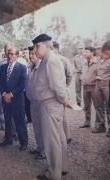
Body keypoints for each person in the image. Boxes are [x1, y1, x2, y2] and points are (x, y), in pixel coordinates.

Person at [32, 34, 70, 180]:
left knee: (52, 141)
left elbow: (58, 86)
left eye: (37, 46)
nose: (35, 50)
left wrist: (64, 99)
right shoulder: (48, 60)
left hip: (50, 106)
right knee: (59, 138)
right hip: (51, 105)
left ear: (47, 45)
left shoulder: (50, 60)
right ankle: (62, 169)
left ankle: (53, 174)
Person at [0, 47, 28, 151]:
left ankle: (23, 142)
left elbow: (22, 84)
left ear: (17, 55)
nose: (9, 56)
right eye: (8, 54)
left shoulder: (22, 67)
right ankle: (8, 139)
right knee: (7, 120)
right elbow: (0, 83)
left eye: (11, 54)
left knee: (20, 121)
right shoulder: (2, 67)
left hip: (17, 99)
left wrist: (10, 94)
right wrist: (4, 94)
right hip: (5, 100)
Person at [25, 46, 45, 159]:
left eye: (33, 53)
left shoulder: (42, 67)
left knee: (43, 128)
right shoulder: (31, 67)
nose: (31, 56)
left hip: (40, 103)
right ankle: (40, 147)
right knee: (36, 127)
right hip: (33, 103)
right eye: (30, 54)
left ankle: (44, 152)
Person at [53, 41, 73, 144]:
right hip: (53, 91)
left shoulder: (63, 60)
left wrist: (64, 86)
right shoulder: (49, 59)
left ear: (56, 49)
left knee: (63, 114)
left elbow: (69, 75)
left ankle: (67, 136)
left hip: (62, 89)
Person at [92, 40, 110, 134]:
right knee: (98, 106)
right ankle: (101, 125)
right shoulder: (97, 61)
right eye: (98, 50)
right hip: (98, 84)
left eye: (100, 50)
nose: (98, 52)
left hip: (107, 84)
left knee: (108, 106)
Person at [79, 47, 98, 128]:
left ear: (92, 52)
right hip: (85, 87)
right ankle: (87, 122)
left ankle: (98, 124)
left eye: (86, 52)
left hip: (94, 87)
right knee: (86, 106)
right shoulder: (83, 63)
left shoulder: (97, 62)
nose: (84, 53)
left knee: (97, 106)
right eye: (84, 51)